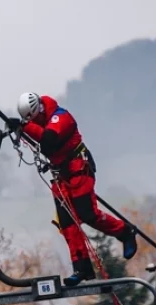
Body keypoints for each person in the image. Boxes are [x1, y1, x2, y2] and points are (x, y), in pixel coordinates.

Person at [9, 92, 138, 287]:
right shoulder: (37, 122)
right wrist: (19, 128)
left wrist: (24, 127)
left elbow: (49, 140)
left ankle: (125, 231)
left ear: (40, 110)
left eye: (34, 118)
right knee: (67, 223)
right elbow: (40, 139)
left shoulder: (61, 117)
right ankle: (81, 267)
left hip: (78, 168)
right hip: (60, 174)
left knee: (88, 214)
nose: (32, 122)